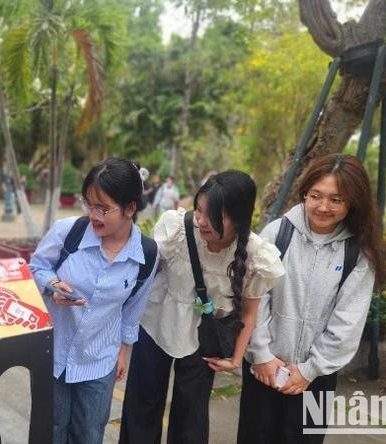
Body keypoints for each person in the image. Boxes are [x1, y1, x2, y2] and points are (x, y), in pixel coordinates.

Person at [120, 170, 285, 444]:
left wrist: (235, 359)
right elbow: (145, 274)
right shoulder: (177, 228)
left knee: (191, 415)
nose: (201, 221)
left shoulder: (257, 255)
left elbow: (249, 312)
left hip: (204, 337)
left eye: (214, 216)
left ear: (240, 218)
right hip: (156, 323)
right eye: (199, 210)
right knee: (142, 403)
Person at [239, 154, 386, 443]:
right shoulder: (277, 233)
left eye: (336, 200)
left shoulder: (358, 253)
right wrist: (262, 356)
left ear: (353, 203)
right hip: (263, 369)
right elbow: (254, 298)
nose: (323, 207)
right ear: (304, 193)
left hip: (315, 377)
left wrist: (309, 370)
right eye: (316, 196)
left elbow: (348, 322)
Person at [29, 157, 160, 444]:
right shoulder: (68, 232)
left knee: (89, 434)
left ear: (130, 208)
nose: (93, 214)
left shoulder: (146, 255)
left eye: (103, 208)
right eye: (89, 204)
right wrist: (52, 286)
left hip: (100, 359)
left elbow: (134, 307)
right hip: (54, 352)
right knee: (50, 431)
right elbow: (36, 267)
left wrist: (124, 350)